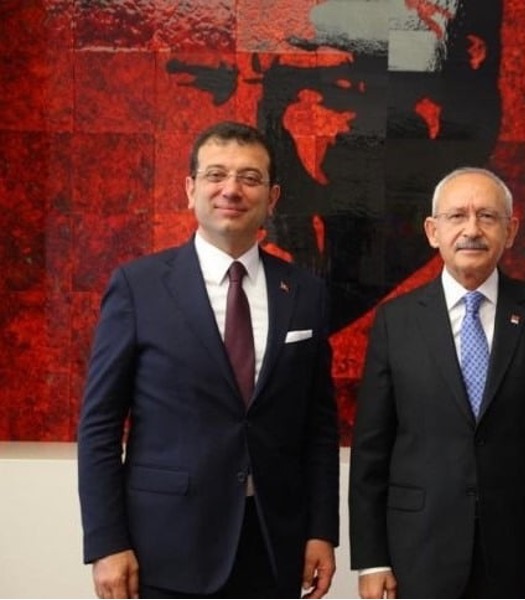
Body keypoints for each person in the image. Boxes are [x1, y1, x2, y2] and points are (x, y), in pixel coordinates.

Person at [77, 121, 340, 599]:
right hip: (166, 545)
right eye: (216, 174)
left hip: (273, 544)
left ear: (272, 197)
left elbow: (318, 427)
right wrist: (106, 543)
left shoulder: (305, 292)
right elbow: (100, 425)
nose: (231, 190)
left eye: (250, 178)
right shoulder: (138, 287)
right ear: (190, 189)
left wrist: (322, 531)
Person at [348, 167, 525, 598]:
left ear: (511, 231)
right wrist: (372, 558)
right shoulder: (396, 321)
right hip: (418, 549)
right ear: (433, 231)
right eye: (457, 216)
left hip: (520, 549)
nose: (472, 230)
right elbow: (371, 450)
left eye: (487, 217)